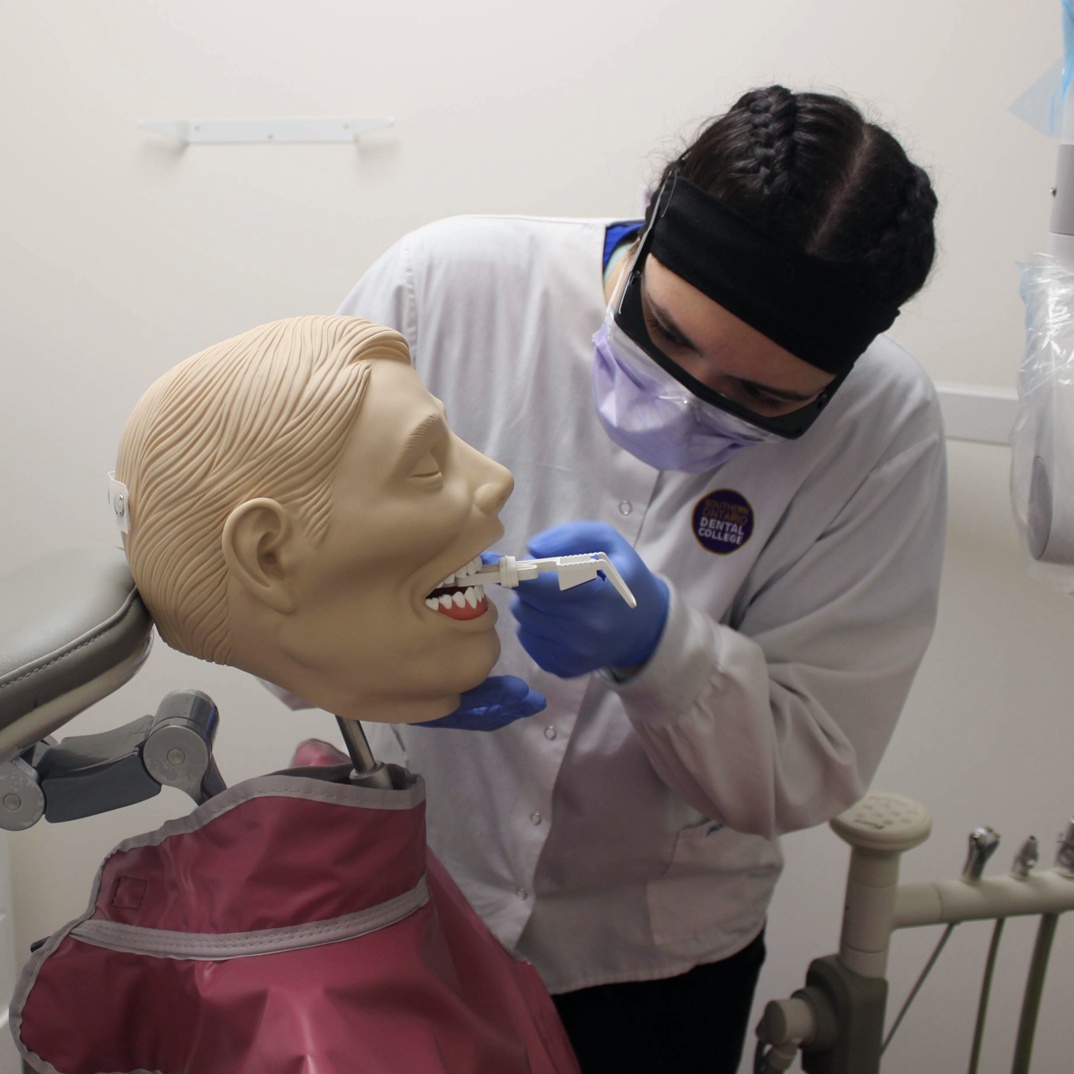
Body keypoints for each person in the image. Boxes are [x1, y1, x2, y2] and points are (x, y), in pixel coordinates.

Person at [336, 85, 946, 1073]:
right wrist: (379, 665)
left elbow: (813, 759)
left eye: (760, 397)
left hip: (660, 958)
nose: (679, 401)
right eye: (664, 332)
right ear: (653, 219)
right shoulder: (441, 289)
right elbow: (285, 561)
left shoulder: (880, 428)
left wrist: (664, 653)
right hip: (414, 901)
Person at [14, 315, 580, 1074]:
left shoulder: (353, 862)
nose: (496, 478)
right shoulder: (318, 1038)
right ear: (268, 554)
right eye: (426, 464)